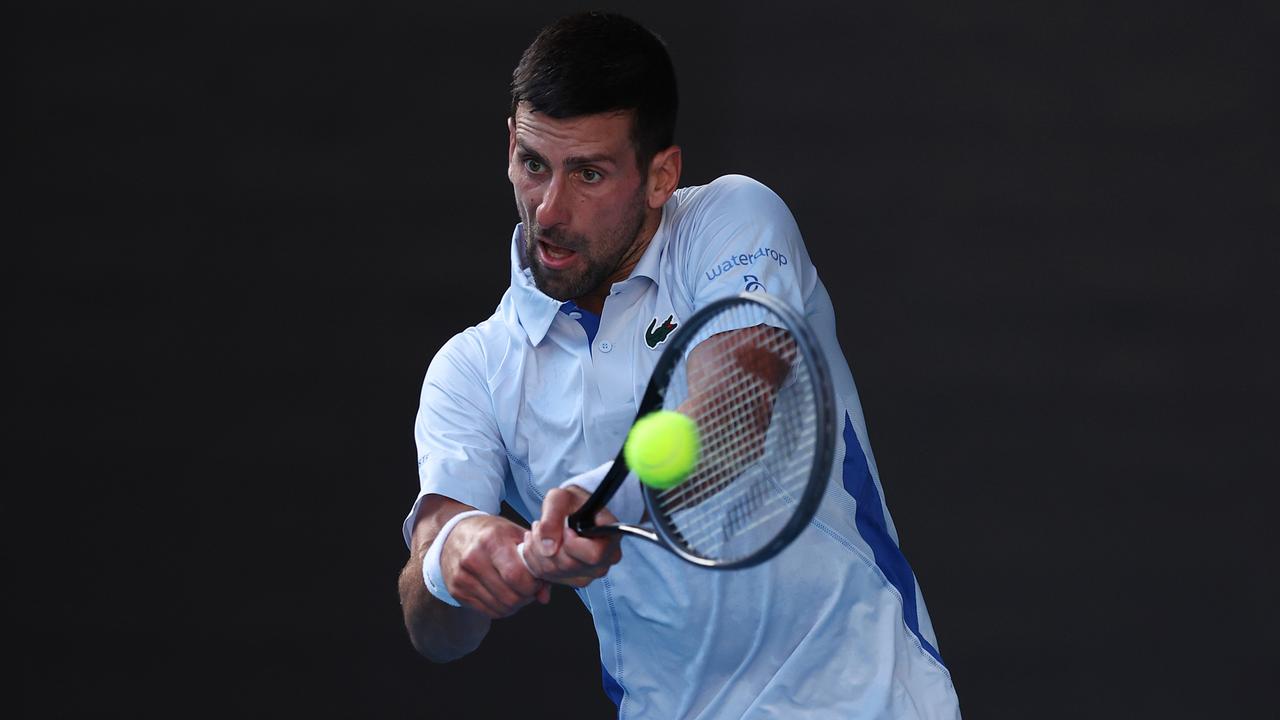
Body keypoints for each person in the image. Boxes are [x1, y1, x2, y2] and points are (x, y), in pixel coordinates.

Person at [397, 11, 962, 718]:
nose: (549, 210)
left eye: (591, 174)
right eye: (533, 164)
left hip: (869, 702)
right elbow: (434, 625)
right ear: (510, 144)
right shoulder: (471, 370)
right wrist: (459, 559)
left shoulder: (733, 221)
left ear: (660, 175)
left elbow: (734, 411)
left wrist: (603, 496)